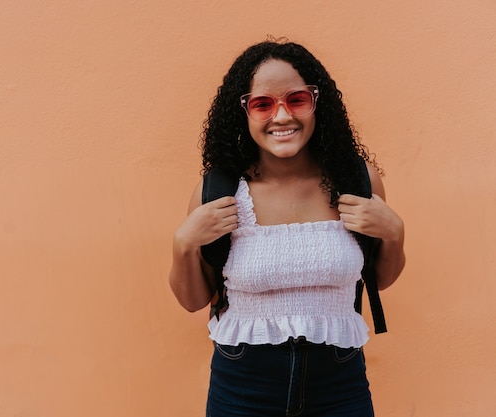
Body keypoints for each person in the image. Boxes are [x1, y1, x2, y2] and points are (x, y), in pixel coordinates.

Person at [169, 39, 405, 417]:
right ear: (243, 111)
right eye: (263, 104)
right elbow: (194, 300)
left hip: (340, 386)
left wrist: (395, 234)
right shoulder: (219, 194)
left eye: (296, 99)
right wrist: (183, 244)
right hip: (242, 386)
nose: (281, 117)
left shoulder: (357, 181)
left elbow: (379, 277)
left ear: (317, 102)